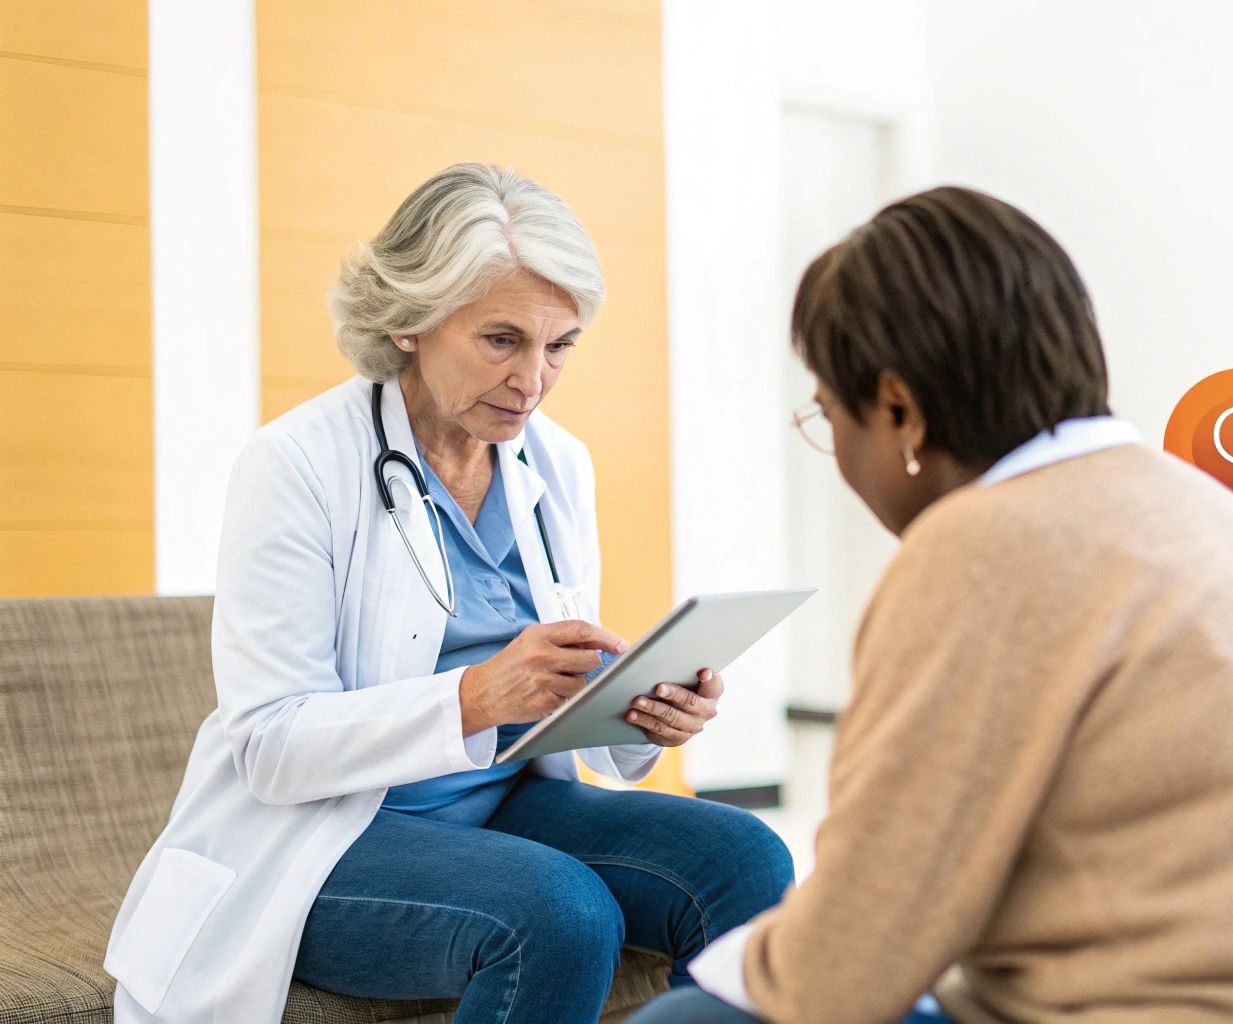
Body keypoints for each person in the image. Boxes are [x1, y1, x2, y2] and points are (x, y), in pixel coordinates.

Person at [629, 186, 1233, 1023]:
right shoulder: (1188, 504)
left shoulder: (980, 549)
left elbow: (843, 972)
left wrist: (724, 969)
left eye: (830, 416)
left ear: (899, 409)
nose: (842, 459)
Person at [105, 163, 793, 1024]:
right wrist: (473, 697)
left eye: (561, 344)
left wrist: (639, 713)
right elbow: (269, 747)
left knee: (748, 863)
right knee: (562, 914)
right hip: (325, 840)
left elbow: (560, 695)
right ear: (410, 323)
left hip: (506, 803)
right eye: (501, 339)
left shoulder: (556, 462)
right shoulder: (295, 467)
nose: (534, 380)